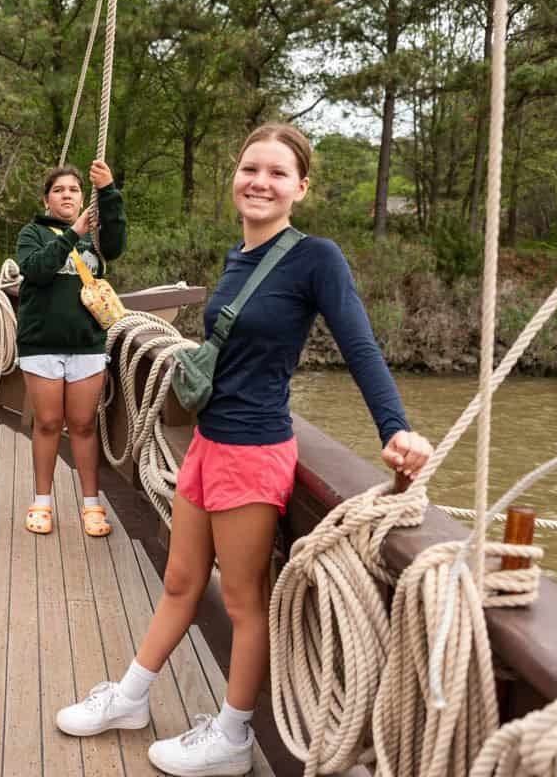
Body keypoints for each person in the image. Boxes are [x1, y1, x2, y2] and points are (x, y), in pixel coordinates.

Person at [53, 123, 433, 776]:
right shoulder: (238, 258)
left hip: (254, 452)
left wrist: (393, 428)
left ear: (301, 188)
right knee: (179, 582)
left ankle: (231, 738)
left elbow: (360, 343)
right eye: (251, 168)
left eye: (278, 173)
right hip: (208, 444)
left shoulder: (316, 258)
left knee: (242, 600)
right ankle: (131, 697)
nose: (260, 181)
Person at [16, 159, 126, 537]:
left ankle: (91, 504)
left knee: (82, 425)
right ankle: (42, 502)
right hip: (42, 345)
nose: (67, 195)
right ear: (47, 198)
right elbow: (37, 270)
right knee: (47, 423)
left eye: (74, 190)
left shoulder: (93, 237)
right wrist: (71, 233)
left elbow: (116, 242)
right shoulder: (33, 233)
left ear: (83, 198)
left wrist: (108, 190)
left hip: (85, 344)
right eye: (59, 190)